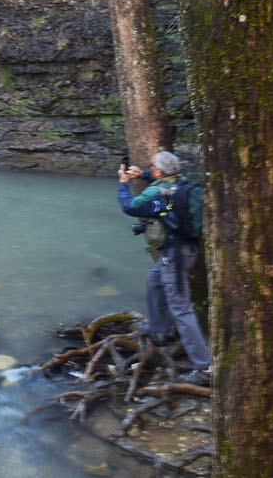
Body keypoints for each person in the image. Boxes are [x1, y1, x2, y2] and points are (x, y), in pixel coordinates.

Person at [117, 150, 212, 384]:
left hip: (175, 254)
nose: (151, 170)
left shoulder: (156, 190)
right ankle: (162, 331)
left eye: (152, 168)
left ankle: (205, 368)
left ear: (160, 171)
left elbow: (130, 207)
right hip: (185, 249)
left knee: (181, 307)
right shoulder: (179, 183)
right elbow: (162, 184)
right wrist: (144, 174)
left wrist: (123, 184)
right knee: (154, 281)